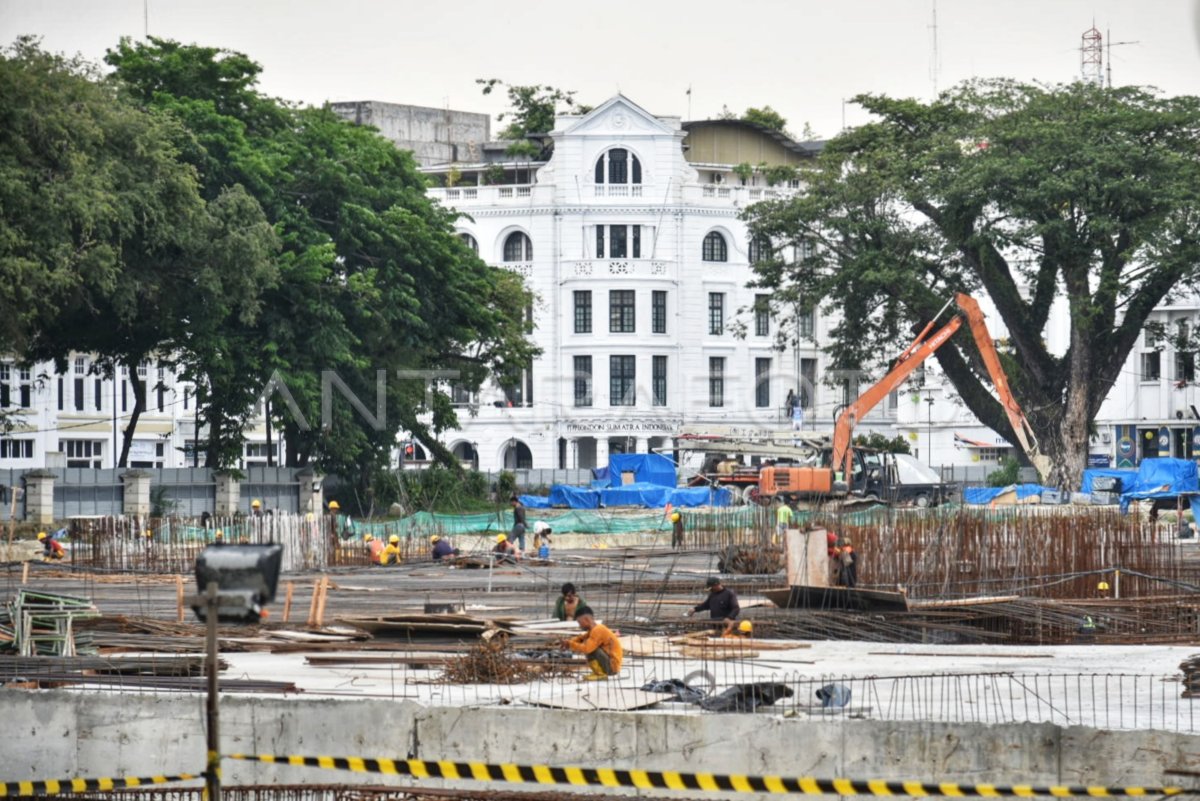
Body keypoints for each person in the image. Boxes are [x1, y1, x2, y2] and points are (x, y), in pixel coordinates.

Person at [563, 605, 622, 680]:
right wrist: (568, 642)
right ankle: (598, 672)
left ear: (586, 619)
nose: (579, 625)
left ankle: (600, 674)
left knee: (590, 648)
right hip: (610, 664)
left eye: (580, 622)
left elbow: (587, 648)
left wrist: (570, 644)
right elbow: (581, 638)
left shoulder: (597, 630)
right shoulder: (594, 629)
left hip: (612, 668)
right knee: (587, 643)